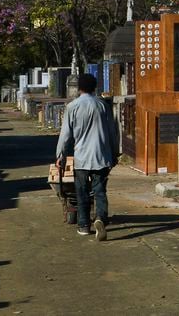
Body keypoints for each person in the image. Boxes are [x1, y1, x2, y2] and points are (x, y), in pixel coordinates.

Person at [56, 73, 119, 240]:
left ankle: (84, 225)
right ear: (94, 87)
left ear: (79, 88)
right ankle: (100, 219)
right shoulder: (103, 106)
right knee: (100, 191)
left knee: (82, 192)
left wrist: (60, 156)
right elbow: (112, 133)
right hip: (101, 156)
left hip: (82, 158)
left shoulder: (72, 107)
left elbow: (66, 135)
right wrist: (114, 154)